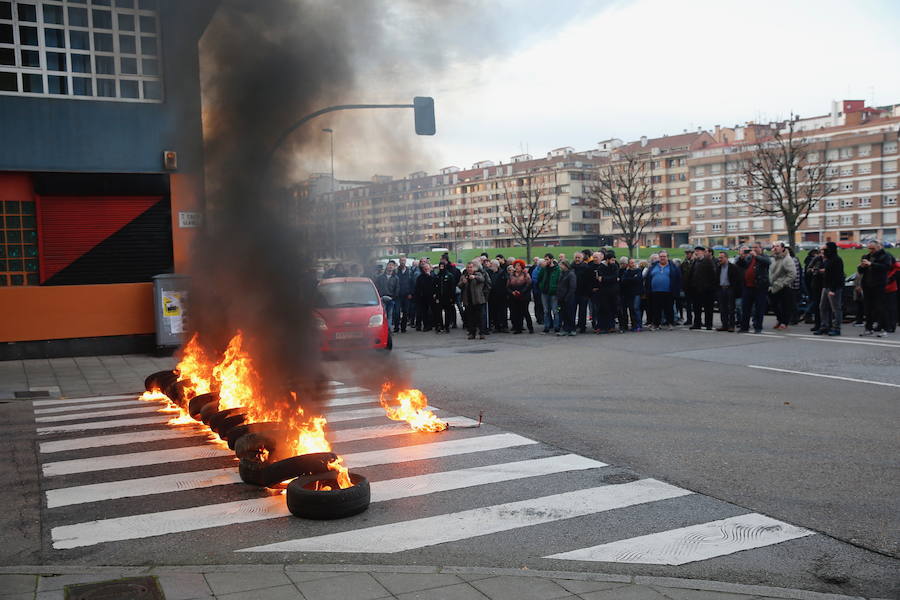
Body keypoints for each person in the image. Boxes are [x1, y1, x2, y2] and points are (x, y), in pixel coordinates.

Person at [857, 240, 894, 337]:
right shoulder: (866, 256)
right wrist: (861, 266)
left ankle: (885, 328)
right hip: (867, 285)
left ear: (878, 247)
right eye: (869, 248)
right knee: (868, 308)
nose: (871, 250)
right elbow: (860, 271)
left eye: (872, 248)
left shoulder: (885, 256)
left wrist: (871, 264)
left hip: (879, 285)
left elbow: (886, 267)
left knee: (880, 307)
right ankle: (868, 328)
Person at [736, 242, 771, 334]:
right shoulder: (749, 258)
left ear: (761, 248)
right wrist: (742, 257)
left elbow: (768, 262)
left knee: (759, 309)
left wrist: (756, 256)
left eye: (756, 247)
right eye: (752, 248)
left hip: (759, 287)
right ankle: (744, 327)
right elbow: (740, 264)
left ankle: (758, 327)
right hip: (748, 286)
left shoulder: (764, 257)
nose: (754, 249)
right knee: (745, 308)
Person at [644, 250, 681, 330]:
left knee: (669, 309)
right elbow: (648, 278)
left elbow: (678, 278)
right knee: (656, 309)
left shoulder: (673, 267)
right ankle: (656, 324)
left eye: (664, 256)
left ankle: (670, 323)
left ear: (667, 257)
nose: (662, 258)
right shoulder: (653, 266)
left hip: (668, 291)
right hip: (655, 291)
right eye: (661, 256)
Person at [816, 241, 844, 336]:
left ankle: (837, 328)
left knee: (836, 308)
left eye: (824, 249)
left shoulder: (837, 260)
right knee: (823, 307)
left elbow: (838, 276)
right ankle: (824, 326)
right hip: (826, 286)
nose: (822, 251)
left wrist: (833, 289)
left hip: (834, 287)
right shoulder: (827, 259)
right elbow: (828, 270)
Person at [768, 242, 796, 330]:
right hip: (773, 286)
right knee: (774, 305)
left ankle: (784, 322)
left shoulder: (787, 259)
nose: (775, 248)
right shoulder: (773, 259)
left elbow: (792, 274)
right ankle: (779, 320)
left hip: (784, 286)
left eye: (777, 246)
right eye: (773, 246)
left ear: (783, 248)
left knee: (785, 306)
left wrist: (783, 283)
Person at [688, 246, 716, 330]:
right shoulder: (695, 261)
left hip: (706, 290)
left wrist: (709, 286)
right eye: (696, 251)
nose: (696, 253)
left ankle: (708, 324)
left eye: (698, 251)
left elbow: (713, 275)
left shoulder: (708, 261)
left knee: (708, 308)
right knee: (697, 308)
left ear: (703, 252)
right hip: (696, 289)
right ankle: (697, 323)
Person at [458, 261, 488, 339]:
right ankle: (472, 333)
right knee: (470, 318)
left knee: (480, 317)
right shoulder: (464, 276)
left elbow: (482, 280)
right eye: (468, 267)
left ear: (474, 268)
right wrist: (463, 282)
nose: (469, 269)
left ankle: (482, 333)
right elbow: (459, 285)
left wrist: (475, 277)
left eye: (471, 267)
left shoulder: (478, 274)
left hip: (478, 299)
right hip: (468, 300)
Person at [594, 250, 620, 333]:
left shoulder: (615, 266)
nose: (613, 261)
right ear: (607, 259)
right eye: (612, 260)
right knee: (603, 309)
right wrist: (610, 279)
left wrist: (605, 279)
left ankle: (611, 326)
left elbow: (614, 277)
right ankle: (602, 326)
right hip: (603, 292)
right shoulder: (601, 266)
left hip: (613, 291)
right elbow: (600, 278)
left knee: (612, 309)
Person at [715, 251, 740, 331]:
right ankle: (724, 325)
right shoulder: (718, 267)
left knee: (731, 309)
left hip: (729, 289)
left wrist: (733, 289)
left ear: (726, 258)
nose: (720, 259)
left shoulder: (733, 267)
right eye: (719, 257)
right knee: (722, 309)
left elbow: (736, 280)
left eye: (721, 257)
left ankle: (731, 326)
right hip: (721, 289)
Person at [507, 259, 534, 334]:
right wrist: (512, 292)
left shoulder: (525, 274)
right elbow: (507, 286)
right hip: (514, 296)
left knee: (525, 312)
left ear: (522, 267)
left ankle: (530, 328)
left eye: (519, 266)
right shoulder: (511, 275)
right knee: (516, 312)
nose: (517, 267)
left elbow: (529, 285)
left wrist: (521, 292)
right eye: (516, 265)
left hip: (524, 296)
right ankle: (518, 328)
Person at [432, 261, 456, 333]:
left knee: (447, 312)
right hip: (439, 297)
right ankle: (440, 325)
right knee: (438, 312)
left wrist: (452, 297)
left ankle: (447, 326)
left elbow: (452, 287)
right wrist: (435, 295)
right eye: (440, 267)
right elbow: (434, 286)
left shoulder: (449, 275)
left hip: (447, 297)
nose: (441, 268)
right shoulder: (437, 276)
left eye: (443, 266)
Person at [619, 257, 643, 331]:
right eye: (631, 263)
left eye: (634, 262)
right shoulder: (627, 272)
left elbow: (638, 280)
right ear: (628, 264)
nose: (633, 264)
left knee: (635, 309)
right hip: (628, 293)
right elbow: (623, 280)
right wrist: (632, 278)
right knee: (631, 309)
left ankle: (638, 325)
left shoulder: (638, 270)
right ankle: (633, 325)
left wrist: (630, 279)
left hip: (636, 293)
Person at [375, 260, 399, 330]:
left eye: (392, 265)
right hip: (382, 298)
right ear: (387, 266)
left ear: (394, 267)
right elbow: (377, 287)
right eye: (389, 265)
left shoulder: (396, 278)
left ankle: (389, 329)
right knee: (383, 315)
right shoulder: (380, 277)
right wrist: (379, 297)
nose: (390, 266)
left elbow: (397, 289)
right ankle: (383, 329)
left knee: (390, 315)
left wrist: (393, 297)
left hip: (391, 299)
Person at [538, 258, 561, 333]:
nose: (545, 261)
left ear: (551, 260)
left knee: (555, 311)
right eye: (545, 259)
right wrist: (541, 286)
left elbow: (559, 280)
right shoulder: (544, 269)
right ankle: (546, 326)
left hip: (554, 293)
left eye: (547, 259)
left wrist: (556, 289)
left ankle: (556, 327)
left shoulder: (557, 269)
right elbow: (539, 278)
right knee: (546, 311)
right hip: (545, 292)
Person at [804, 248, 824, 332]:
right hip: (815, 285)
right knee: (816, 305)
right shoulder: (816, 260)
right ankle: (817, 324)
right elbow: (808, 270)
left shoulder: (829, 260)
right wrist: (814, 270)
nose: (822, 254)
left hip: (823, 285)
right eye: (820, 253)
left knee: (822, 306)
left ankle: (823, 324)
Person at [573, 252, 593, 333]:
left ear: (582, 258)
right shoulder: (571, 267)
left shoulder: (586, 267)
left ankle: (582, 326)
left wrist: (588, 292)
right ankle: (572, 325)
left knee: (583, 311)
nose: (577, 259)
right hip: (574, 292)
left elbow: (589, 281)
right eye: (576, 257)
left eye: (579, 258)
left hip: (583, 293)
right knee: (572, 310)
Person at [487, 259, 509, 333]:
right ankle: (497, 326)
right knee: (494, 311)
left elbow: (506, 283)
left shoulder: (503, 273)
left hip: (502, 295)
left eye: (491, 264)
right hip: (492, 295)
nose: (490, 265)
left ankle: (504, 326)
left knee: (503, 311)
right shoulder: (489, 273)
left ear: (495, 265)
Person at [394, 256, 415, 333]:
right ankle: (396, 327)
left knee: (405, 312)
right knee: (397, 312)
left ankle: (403, 328)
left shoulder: (409, 271)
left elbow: (412, 284)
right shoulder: (395, 271)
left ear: (405, 261)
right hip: (397, 295)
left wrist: (410, 293)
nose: (403, 262)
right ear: (399, 261)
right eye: (401, 260)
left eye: (404, 260)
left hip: (407, 295)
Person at [556, 260, 577, 336]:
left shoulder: (571, 274)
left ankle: (572, 329)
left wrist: (567, 297)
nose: (560, 266)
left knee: (570, 314)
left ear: (565, 265)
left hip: (569, 298)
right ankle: (565, 329)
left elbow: (572, 287)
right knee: (563, 314)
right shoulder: (562, 273)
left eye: (561, 265)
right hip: (561, 297)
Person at [413, 262, 434, 331]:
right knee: (424, 312)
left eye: (427, 269)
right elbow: (417, 288)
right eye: (425, 269)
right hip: (422, 298)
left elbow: (434, 285)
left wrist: (429, 276)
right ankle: (425, 326)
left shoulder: (433, 276)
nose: (426, 270)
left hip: (431, 297)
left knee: (430, 312)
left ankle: (430, 325)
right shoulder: (420, 277)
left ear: (430, 269)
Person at [680, 249, 695, 325]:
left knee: (696, 305)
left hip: (695, 287)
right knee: (688, 305)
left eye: (688, 253)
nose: (687, 255)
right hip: (687, 287)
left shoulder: (696, 262)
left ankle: (698, 320)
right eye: (686, 253)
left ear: (692, 254)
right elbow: (681, 274)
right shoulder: (684, 263)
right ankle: (689, 319)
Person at [529, 257, 544, 326]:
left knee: (541, 305)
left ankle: (542, 318)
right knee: (538, 305)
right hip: (537, 290)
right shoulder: (536, 270)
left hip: (541, 290)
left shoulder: (542, 269)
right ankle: (539, 318)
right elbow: (535, 280)